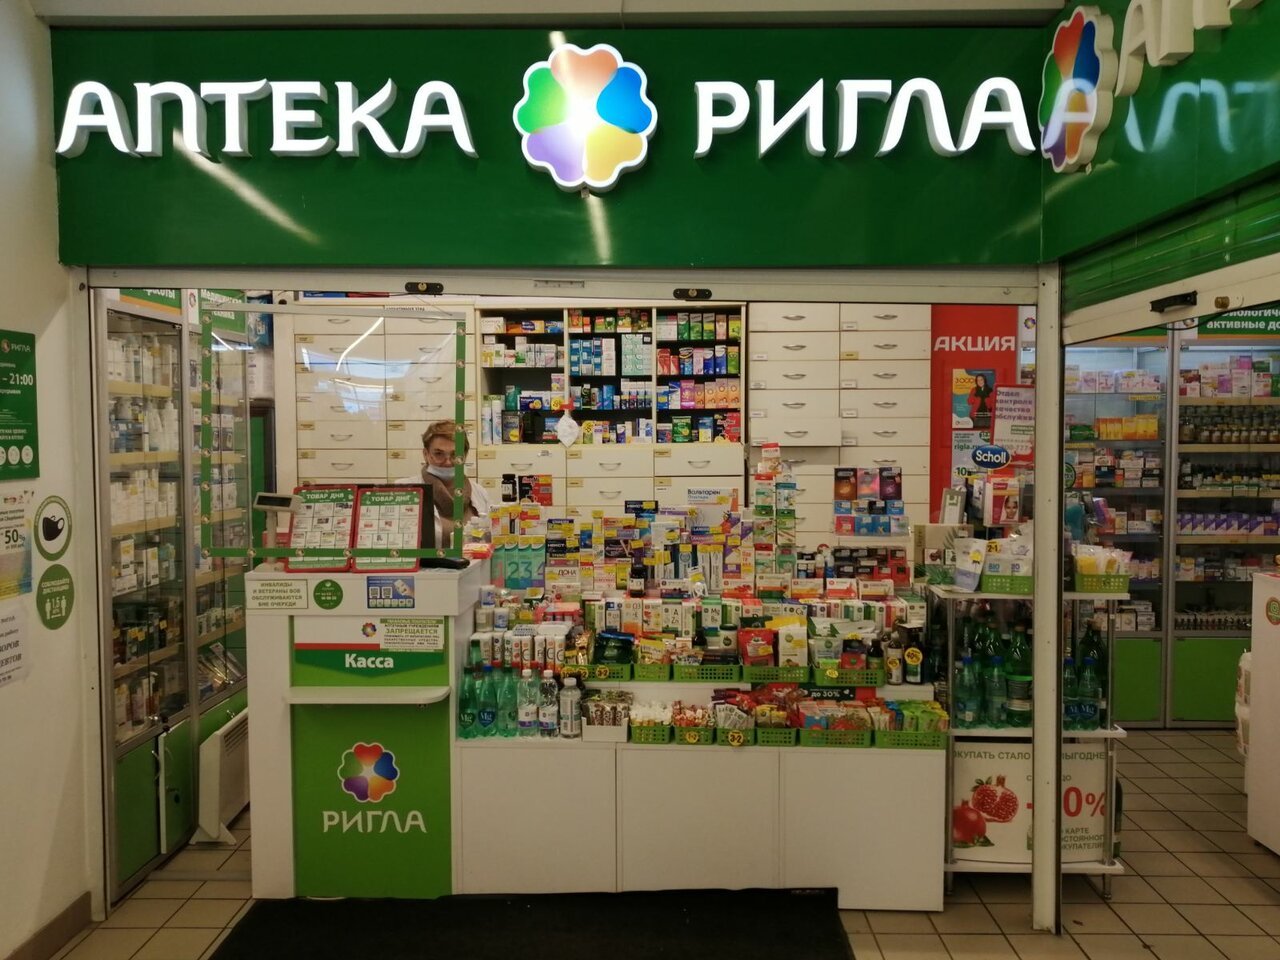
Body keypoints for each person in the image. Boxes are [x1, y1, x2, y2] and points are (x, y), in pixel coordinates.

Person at [396, 420, 490, 543]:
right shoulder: (404, 491)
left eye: (455, 454)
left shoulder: (479, 493)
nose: (448, 462)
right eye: (439, 454)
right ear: (426, 454)